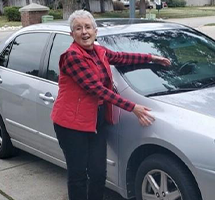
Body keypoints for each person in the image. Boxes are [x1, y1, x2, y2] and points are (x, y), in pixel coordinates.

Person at [51, 10, 171, 200]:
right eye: (78, 28)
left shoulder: (99, 51)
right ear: (71, 34)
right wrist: (133, 107)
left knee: (98, 173)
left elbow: (122, 57)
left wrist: (151, 57)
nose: (84, 32)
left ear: (95, 31)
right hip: (71, 125)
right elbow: (96, 89)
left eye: (88, 27)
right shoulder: (72, 56)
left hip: (95, 120)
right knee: (78, 175)